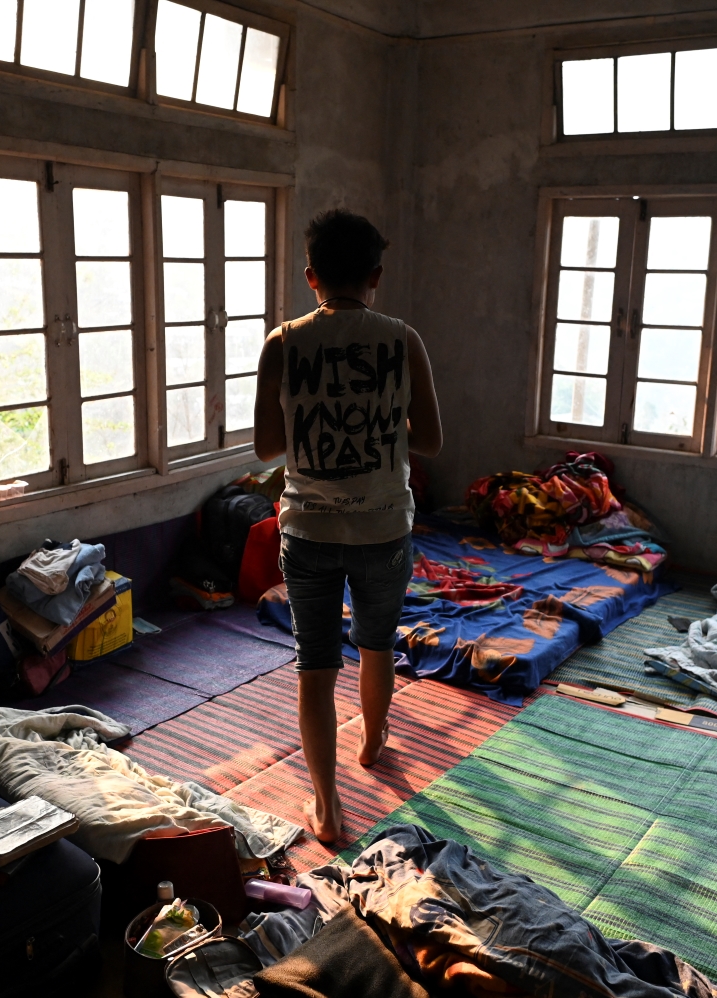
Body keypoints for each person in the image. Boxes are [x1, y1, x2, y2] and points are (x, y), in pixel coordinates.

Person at [253, 209, 442, 844]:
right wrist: (382, 422)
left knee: (315, 666)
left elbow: (263, 447)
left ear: (311, 276)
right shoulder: (403, 339)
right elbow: (434, 441)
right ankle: (373, 739)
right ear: (377, 276)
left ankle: (328, 806)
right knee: (377, 643)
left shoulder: (282, 342)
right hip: (384, 527)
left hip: (307, 528)